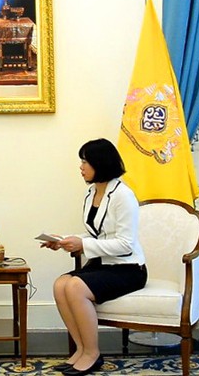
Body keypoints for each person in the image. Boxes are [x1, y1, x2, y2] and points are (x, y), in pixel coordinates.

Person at [41, 139, 147, 376]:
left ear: (101, 163)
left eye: (85, 162)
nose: (81, 167)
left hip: (129, 268)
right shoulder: (91, 193)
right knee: (60, 285)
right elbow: (96, 234)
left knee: (75, 287)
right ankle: (81, 349)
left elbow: (126, 244)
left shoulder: (123, 195)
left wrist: (83, 245)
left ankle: (92, 353)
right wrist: (63, 240)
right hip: (103, 263)